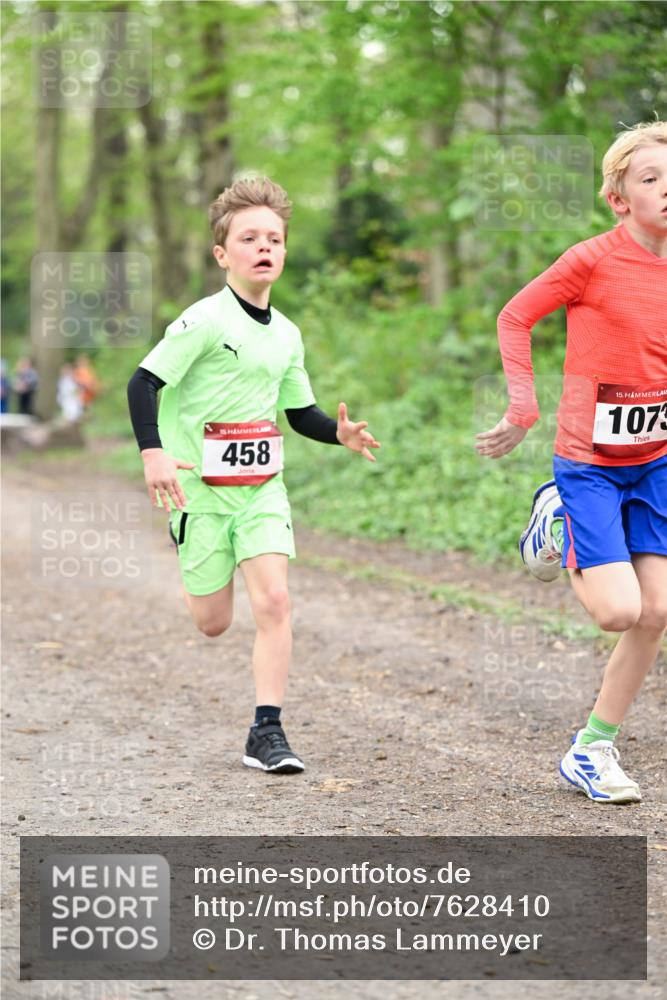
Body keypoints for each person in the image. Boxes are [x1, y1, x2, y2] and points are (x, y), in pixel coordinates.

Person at [127, 177, 380, 774]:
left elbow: (298, 414)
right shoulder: (203, 321)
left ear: (285, 251)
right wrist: (153, 452)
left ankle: (266, 731)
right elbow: (144, 383)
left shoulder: (287, 334)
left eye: (275, 238)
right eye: (249, 238)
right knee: (212, 623)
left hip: (262, 490)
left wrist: (337, 433)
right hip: (201, 493)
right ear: (223, 254)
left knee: (274, 599)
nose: (264, 247)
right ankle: (188, 538)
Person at [476, 121, 667, 804]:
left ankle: (591, 749)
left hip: (655, 461)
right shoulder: (590, 260)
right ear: (619, 198)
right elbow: (512, 316)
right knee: (617, 612)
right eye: (651, 179)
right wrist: (523, 410)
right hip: (587, 463)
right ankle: (556, 523)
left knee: (656, 613)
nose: (666, 188)